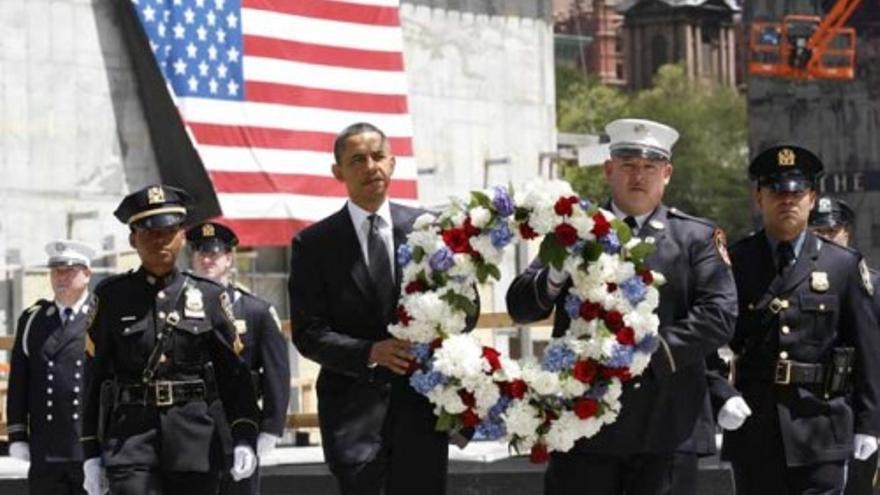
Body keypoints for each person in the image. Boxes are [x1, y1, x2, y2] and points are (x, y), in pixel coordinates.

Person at [506, 118, 738, 495]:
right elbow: (521, 307)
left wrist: (646, 352)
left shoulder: (695, 237)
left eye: (650, 168)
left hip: (665, 424)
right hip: (585, 428)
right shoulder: (576, 230)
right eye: (628, 166)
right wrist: (555, 272)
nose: (639, 177)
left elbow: (719, 316)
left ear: (667, 174)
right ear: (609, 170)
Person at [289, 122, 477, 495]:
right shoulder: (314, 244)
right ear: (337, 172)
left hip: (422, 413)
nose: (370, 166)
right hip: (353, 419)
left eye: (378, 156)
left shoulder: (432, 229)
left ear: (392, 163)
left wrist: (438, 317)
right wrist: (369, 352)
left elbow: (468, 312)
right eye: (357, 159)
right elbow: (309, 334)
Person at [708, 146, 880, 494]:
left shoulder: (842, 265)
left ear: (812, 198)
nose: (787, 200)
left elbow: (866, 349)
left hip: (822, 425)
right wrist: (720, 394)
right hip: (755, 427)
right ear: (759, 198)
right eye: (776, 192)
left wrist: (870, 422)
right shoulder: (736, 263)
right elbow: (708, 337)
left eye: (797, 192)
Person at [80, 184, 260, 495]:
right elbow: (94, 379)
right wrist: (90, 453)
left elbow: (235, 376)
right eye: (149, 232)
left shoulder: (209, 296)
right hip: (131, 441)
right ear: (133, 239)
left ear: (181, 236)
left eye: (169, 231)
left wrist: (244, 435)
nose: (160, 240)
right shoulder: (112, 297)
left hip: (195, 443)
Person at [187, 221, 291, 495]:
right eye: (201, 252)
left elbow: (276, 374)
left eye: (215, 253)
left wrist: (271, 428)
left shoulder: (255, 310)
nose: (207, 259)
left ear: (229, 258)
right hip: (190, 423)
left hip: (239, 423)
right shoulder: (178, 307)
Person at [7, 240, 96, 494]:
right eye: (56, 270)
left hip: (86, 447)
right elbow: (20, 382)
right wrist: (17, 434)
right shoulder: (34, 319)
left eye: (69, 270)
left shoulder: (99, 316)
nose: (61, 277)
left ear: (87, 274)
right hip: (45, 447)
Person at [808, 196, 880, 495]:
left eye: (832, 232)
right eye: (818, 234)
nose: (826, 240)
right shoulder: (797, 284)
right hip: (816, 411)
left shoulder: (873, 285)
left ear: (846, 234)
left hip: (860, 407)